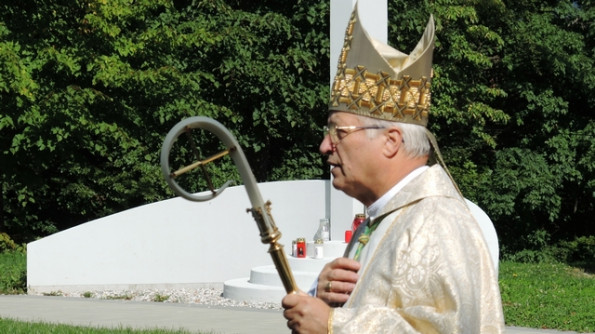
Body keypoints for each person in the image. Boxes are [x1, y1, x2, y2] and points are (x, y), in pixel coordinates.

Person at [281, 2, 505, 333]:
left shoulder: (435, 223)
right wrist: (324, 296)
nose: (325, 146)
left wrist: (333, 324)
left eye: (339, 132)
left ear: (391, 141)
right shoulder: (383, 217)